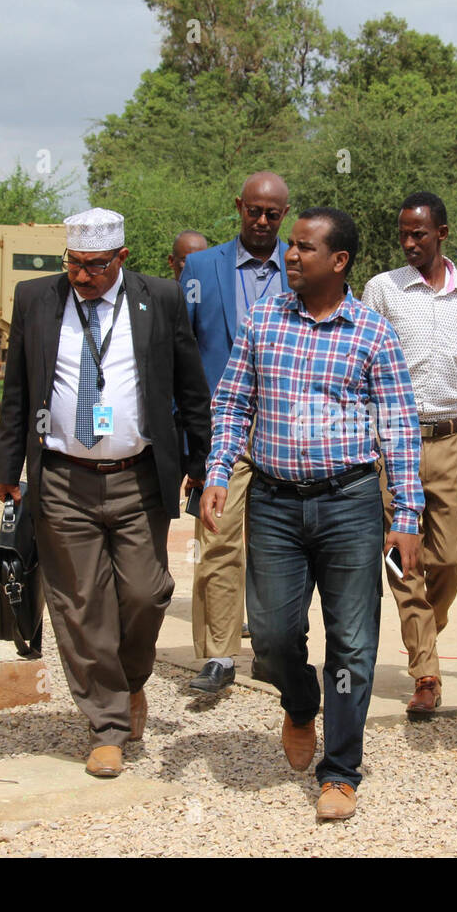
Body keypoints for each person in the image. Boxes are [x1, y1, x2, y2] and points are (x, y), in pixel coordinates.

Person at [200, 207, 424, 820]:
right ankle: (300, 704)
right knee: (271, 639)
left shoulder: (373, 333)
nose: (289, 256)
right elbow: (233, 403)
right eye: (290, 247)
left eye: (303, 247)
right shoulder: (263, 321)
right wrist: (218, 473)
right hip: (273, 502)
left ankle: (341, 771)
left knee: (353, 644)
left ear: (340, 261)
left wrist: (407, 515)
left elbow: (400, 431)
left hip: (350, 505)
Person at [0, 207, 212, 779]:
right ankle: (107, 725)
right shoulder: (36, 299)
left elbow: (191, 386)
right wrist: (7, 466)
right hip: (62, 477)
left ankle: (130, 680)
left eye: (94, 266)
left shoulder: (159, 300)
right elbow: (17, 388)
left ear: (122, 259)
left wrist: (200, 461)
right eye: (74, 264)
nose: (82, 277)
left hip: (139, 475)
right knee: (80, 602)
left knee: (145, 592)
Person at [361, 191, 457, 715]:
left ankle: (425, 637)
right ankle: (426, 672)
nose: (410, 243)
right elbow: (362, 363)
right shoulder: (382, 291)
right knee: (404, 558)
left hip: (450, 440)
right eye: (403, 235)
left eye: (419, 234)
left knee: (452, 561)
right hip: (394, 440)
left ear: (442, 232)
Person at [180, 172, 291, 693]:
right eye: (254, 211)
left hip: (290, 436)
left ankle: (274, 650)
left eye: (273, 213)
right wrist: (188, 446)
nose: (263, 221)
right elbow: (181, 354)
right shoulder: (203, 268)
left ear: (284, 215)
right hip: (225, 434)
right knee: (219, 542)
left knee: (277, 551)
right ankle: (219, 657)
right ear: (239, 207)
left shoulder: (302, 261)